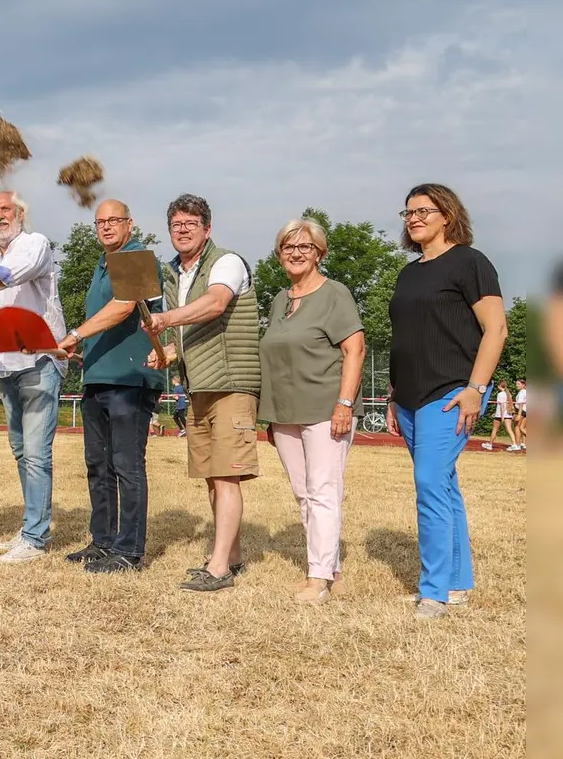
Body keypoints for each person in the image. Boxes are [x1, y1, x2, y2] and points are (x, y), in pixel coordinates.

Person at [385, 183, 506, 620]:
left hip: (453, 391)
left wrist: (475, 388)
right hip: (410, 396)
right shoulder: (409, 272)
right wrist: (394, 394)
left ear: (447, 215)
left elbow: (496, 330)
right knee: (444, 485)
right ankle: (455, 584)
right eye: (408, 212)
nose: (414, 218)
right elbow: (408, 337)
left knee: (430, 484)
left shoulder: (471, 263)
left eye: (423, 210)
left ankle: (432, 591)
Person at [143, 193, 260, 592]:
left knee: (226, 476)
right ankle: (233, 556)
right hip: (198, 386)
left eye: (191, 223)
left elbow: (215, 304)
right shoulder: (176, 273)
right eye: (176, 224)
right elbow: (195, 331)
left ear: (207, 228)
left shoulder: (226, 262)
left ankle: (218, 569)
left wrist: (164, 318)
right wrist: (170, 353)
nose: (183, 230)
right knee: (213, 477)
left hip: (230, 384)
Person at [257, 218, 365, 605]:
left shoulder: (335, 293)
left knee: (324, 491)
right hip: (284, 412)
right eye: (288, 247)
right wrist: (269, 415)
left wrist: (345, 404)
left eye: (305, 247)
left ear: (320, 253)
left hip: (325, 408)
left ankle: (317, 578)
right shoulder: (279, 300)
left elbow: (355, 350)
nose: (296, 253)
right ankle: (330, 569)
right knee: (304, 494)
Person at [54, 200, 164, 574]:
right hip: (97, 378)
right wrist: (84, 352)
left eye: (114, 220)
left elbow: (124, 308)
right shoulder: (101, 265)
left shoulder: (137, 257)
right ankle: (102, 541)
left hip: (131, 380)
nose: (106, 226)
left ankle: (129, 550)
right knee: (97, 464)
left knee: (126, 464)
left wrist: (75, 334)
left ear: (130, 224)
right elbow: (106, 321)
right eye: (100, 222)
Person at [0, 190, 66, 565]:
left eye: (6, 209)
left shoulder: (36, 245)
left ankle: (35, 538)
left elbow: (15, 272)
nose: (0, 216)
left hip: (41, 361)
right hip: (8, 365)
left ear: (20, 212)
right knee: (21, 451)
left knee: (37, 454)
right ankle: (30, 526)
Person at [483, 382, 514, 451]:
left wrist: (502, 416)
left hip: (501, 414)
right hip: (508, 414)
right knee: (509, 430)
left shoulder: (500, 394)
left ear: (500, 386)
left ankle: (490, 444)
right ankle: (514, 444)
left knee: (495, 429)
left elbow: (502, 405)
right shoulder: (508, 394)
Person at [513, 380, 527, 452]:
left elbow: (521, 404)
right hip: (525, 411)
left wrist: (518, 415)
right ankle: (524, 444)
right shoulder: (525, 392)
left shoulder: (522, 393)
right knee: (522, 427)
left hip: (521, 411)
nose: (517, 385)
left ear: (523, 385)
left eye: (518, 384)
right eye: (516, 384)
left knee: (517, 427)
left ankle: (517, 445)